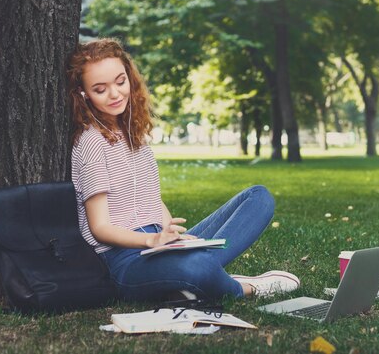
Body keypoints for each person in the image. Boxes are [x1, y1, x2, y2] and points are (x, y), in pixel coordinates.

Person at [67, 38, 299, 301]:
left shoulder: (135, 133)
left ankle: (197, 276)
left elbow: (151, 199)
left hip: (161, 244)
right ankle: (242, 288)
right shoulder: (92, 142)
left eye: (120, 82)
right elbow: (100, 227)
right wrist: (151, 241)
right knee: (196, 266)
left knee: (258, 197)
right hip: (124, 260)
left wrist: (172, 236)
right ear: (84, 94)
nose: (115, 94)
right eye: (100, 89)